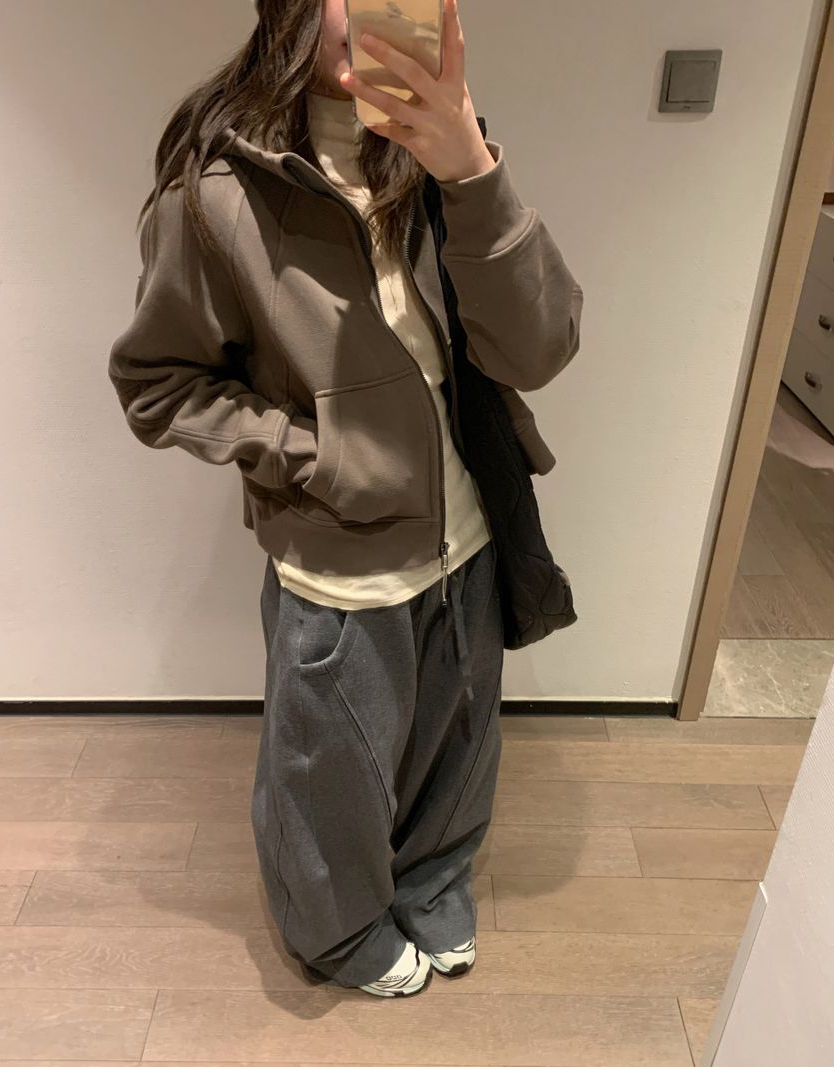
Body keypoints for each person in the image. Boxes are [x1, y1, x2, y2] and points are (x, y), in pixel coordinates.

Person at [107, 0, 583, 998]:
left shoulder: (442, 158)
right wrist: (313, 457)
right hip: (339, 549)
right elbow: (159, 386)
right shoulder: (217, 195)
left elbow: (538, 349)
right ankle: (335, 931)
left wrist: (471, 171)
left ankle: (433, 880)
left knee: (458, 740)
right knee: (330, 768)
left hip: (472, 522)